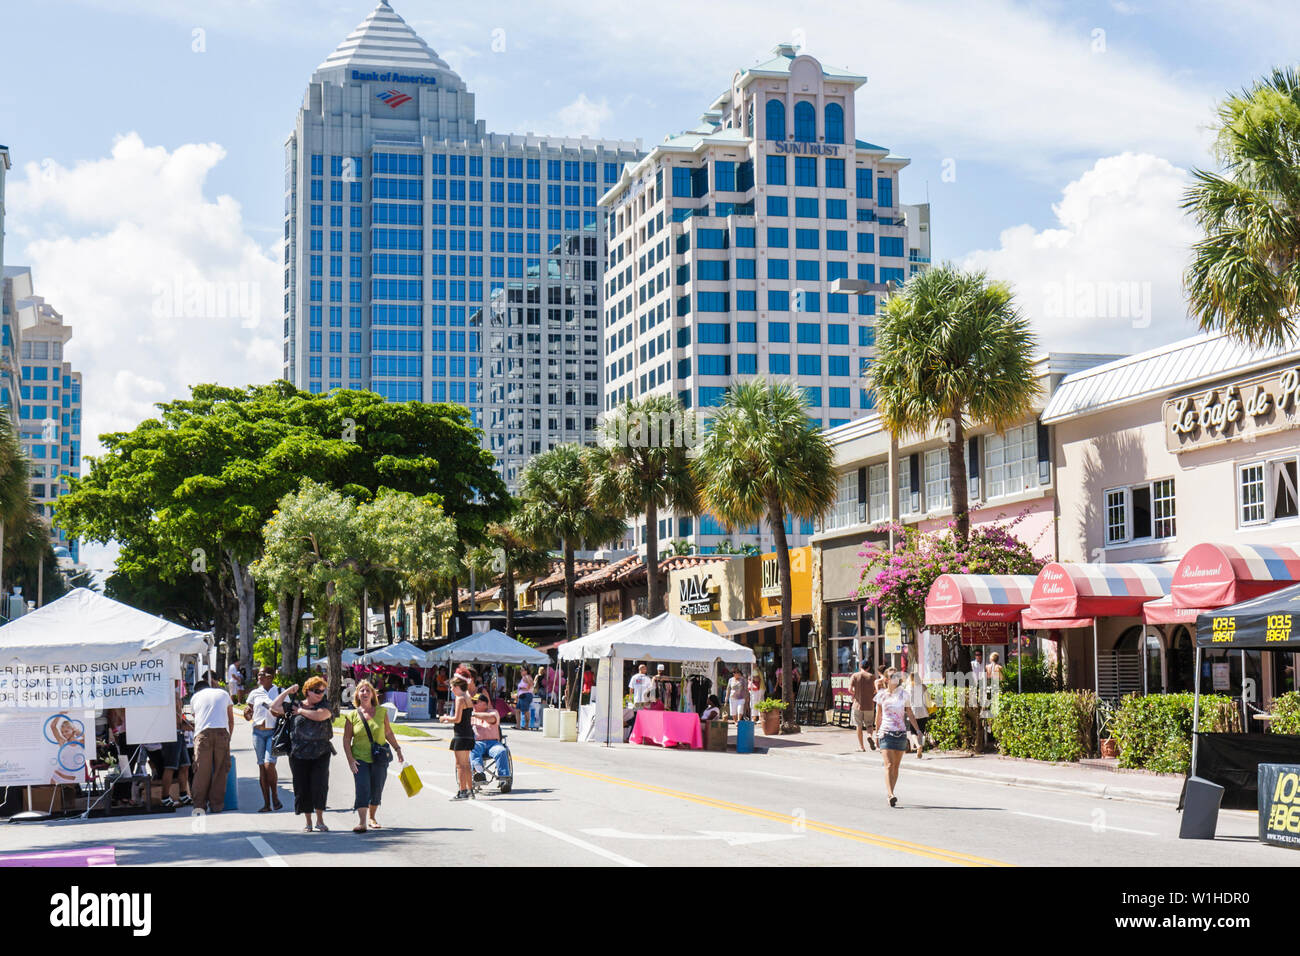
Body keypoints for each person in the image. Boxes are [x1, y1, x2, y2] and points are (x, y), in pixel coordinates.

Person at [274, 676, 334, 832]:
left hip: (321, 752)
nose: (321, 693)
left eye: (322, 690)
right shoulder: (295, 704)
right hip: (298, 754)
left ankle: (320, 820)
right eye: (317, 691)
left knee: (320, 785)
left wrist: (300, 711)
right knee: (302, 787)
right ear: (307, 691)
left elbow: (321, 715)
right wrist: (288, 691)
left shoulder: (324, 705)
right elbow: (274, 707)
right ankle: (308, 821)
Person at [343, 680, 404, 833]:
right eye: (361, 690)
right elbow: (346, 739)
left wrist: (397, 749)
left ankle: (372, 817)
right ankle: (362, 822)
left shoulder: (382, 712)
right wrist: (350, 760)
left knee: (376, 789)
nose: (364, 693)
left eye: (367, 690)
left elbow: (388, 733)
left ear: (372, 694)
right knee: (362, 788)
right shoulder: (352, 715)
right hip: (360, 758)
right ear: (357, 694)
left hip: (380, 758)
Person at [873, 667, 923, 807]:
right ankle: (890, 795)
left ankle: (891, 791)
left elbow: (909, 713)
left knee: (895, 766)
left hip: (900, 733)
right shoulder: (881, 695)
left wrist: (917, 730)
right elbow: (878, 716)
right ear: (887, 680)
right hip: (886, 732)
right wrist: (876, 734)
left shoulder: (904, 694)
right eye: (893, 677)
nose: (896, 680)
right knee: (889, 765)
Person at [246, 668, 292, 812]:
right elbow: (249, 713)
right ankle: (267, 803)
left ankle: (275, 797)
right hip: (257, 732)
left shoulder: (280, 691)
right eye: (258, 674)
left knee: (268, 765)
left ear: (271, 677)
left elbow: (288, 711)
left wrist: (277, 712)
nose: (258, 676)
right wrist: (247, 713)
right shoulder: (255, 693)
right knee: (262, 767)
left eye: (262, 674)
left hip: (273, 732)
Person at [189, 679, 234, 814]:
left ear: (197, 690)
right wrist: (228, 738)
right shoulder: (223, 694)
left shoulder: (195, 697)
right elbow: (230, 720)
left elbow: (197, 718)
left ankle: (199, 805)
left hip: (203, 735)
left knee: (202, 771)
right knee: (220, 770)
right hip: (222, 732)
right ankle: (216, 805)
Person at [159, 679, 193, 808]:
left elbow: (179, 715)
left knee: (185, 765)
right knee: (170, 766)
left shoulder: (176, 694)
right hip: (170, 733)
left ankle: (183, 794)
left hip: (179, 732)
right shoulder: (166, 695)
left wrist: (185, 724)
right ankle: (165, 797)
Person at [441, 674, 476, 800]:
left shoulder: (460, 698)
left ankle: (462, 791)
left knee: (460, 765)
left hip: (461, 734)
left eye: (451, 687)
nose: (451, 690)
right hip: (469, 733)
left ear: (457, 686)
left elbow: (457, 718)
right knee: (466, 764)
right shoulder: (468, 697)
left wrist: (445, 718)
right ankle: (470, 790)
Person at [469, 691, 512, 786]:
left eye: (476, 702)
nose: (473, 704)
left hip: (493, 743)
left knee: (501, 751)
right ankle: (479, 773)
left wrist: (473, 714)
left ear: (485, 704)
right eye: (473, 702)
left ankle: (504, 779)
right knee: (472, 748)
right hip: (478, 743)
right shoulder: (471, 715)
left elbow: (491, 718)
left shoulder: (493, 712)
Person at [849, 659, 877, 752]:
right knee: (869, 724)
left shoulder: (855, 676)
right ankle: (869, 736)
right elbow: (876, 690)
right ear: (868, 667)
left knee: (859, 725)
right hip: (869, 704)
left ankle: (862, 747)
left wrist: (855, 693)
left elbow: (850, 689)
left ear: (860, 667)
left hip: (857, 704)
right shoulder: (872, 677)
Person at [904, 670, 931, 758]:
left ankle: (917, 745)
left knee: (913, 731)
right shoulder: (923, 687)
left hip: (913, 711)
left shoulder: (907, 688)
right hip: (923, 711)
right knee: (921, 731)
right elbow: (928, 699)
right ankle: (920, 746)